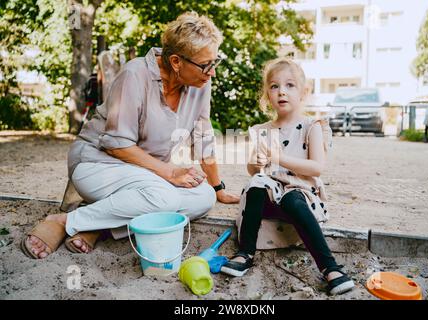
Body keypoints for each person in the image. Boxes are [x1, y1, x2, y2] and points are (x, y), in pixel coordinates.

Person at [21, 12, 239, 260]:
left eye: (215, 62)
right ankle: (66, 221)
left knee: (203, 197)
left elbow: (202, 134)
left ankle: (99, 224)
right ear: (177, 62)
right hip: (97, 165)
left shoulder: (200, 82)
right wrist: (170, 172)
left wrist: (217, 187)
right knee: (164, 198)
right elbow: (116, 145)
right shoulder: (135, 75)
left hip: (146, 175)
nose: (212, 72)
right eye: (206, 65)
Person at [221, 57, 355, 295]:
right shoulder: (264, 131)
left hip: (300, 195)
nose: (281, 91)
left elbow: (316, 167)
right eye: (274, 86)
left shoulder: (312, 126)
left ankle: (330, 267)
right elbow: (253, 169)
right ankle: (245, 253)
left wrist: (278, 157)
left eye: (290, 85)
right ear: (267, 94)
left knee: (292, 198)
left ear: (303, 92)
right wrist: (257, 162)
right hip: (270, 199)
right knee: (256, 184)